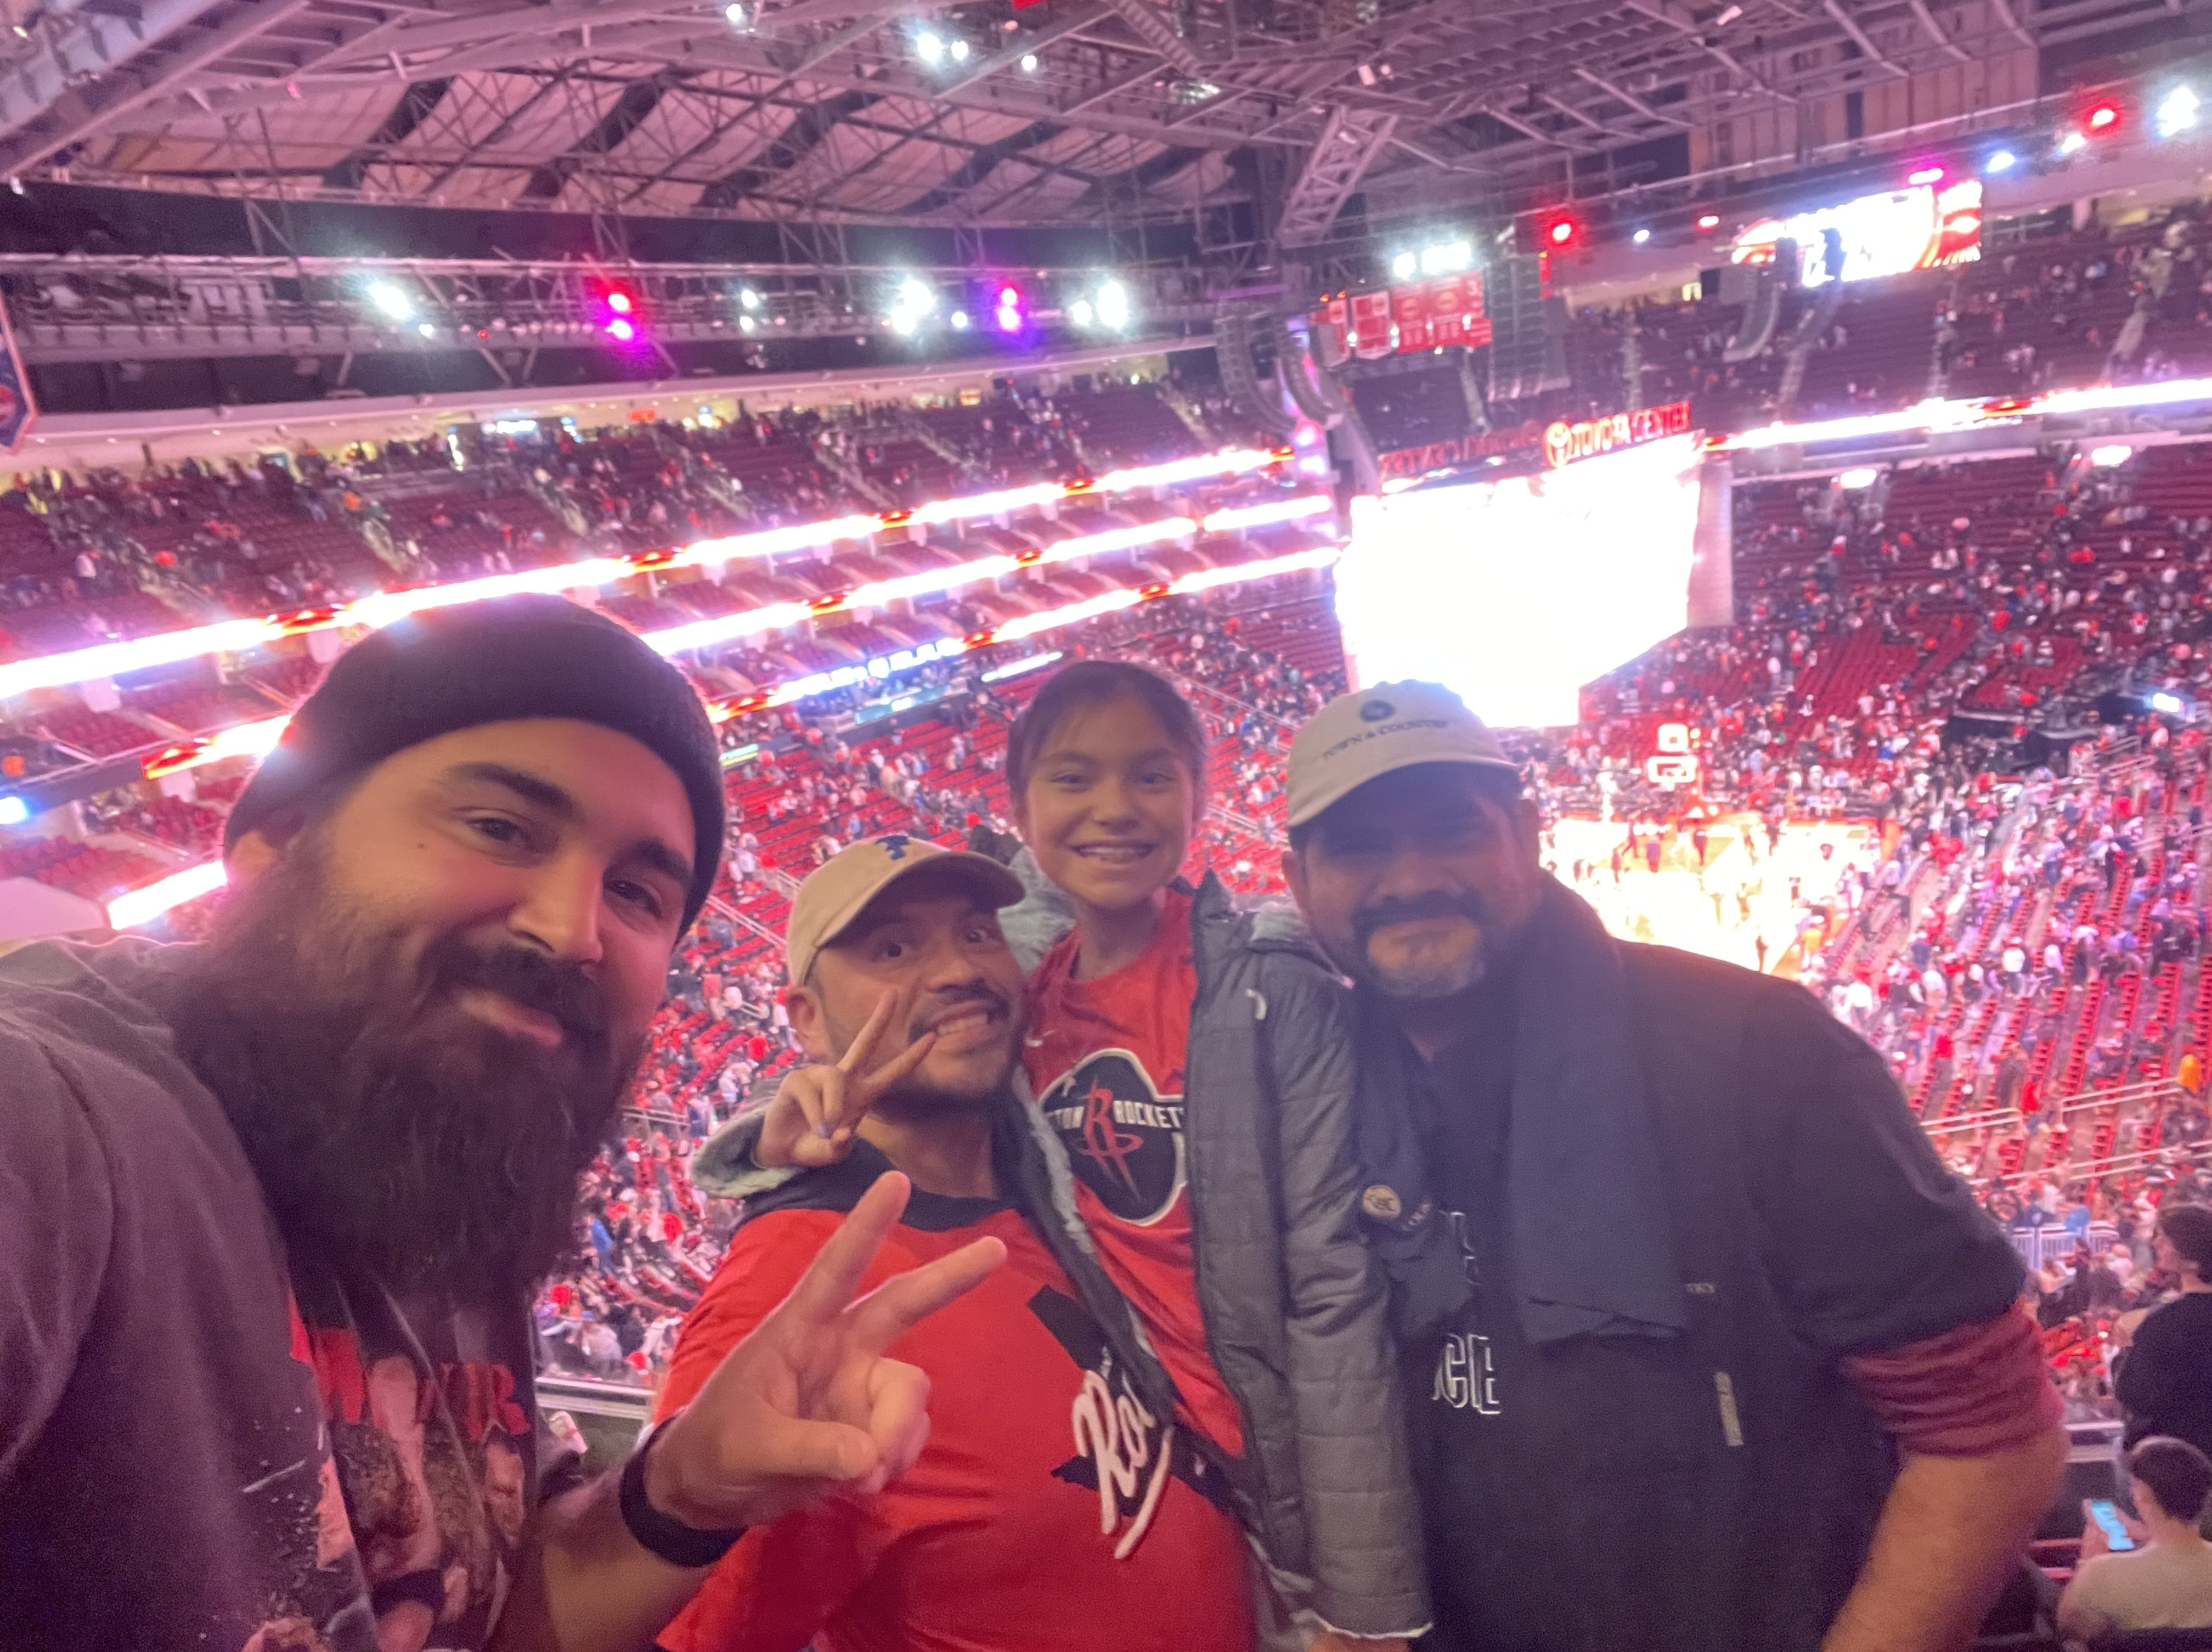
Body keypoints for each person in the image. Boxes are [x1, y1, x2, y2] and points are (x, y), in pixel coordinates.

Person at [0, 595, 1002, 1652]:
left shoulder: (435, 1148)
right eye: (499, 828)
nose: (571, 928)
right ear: (275, 843)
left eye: (635, 891)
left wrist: (679, 1491)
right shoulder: (63, 1125)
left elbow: (482, 1613)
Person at [1278, 680, 2067, 1652]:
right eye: (1357, 847)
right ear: (1297, 881)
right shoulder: (1297, 1089)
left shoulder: (1759, 1051)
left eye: (1451, 829)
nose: (1409, 878)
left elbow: (1988, 1432)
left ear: (1526, 835)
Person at [745, 661, 1426, 1649]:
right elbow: (878, 1065)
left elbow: (1334, 1291)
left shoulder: (1270, 988)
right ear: (1020, 810)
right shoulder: (1020, 994)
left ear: (1199, 794)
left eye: (1151, 775)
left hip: (1286, 1479)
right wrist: (774, 1132)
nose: (1114, 807)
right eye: (1074, 778)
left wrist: (1367, 1605)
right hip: (1163, 1455)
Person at [659, 837, 1254, 1652]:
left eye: (977, 933)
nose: (957, 971)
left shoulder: (1061, 1176)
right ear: (807, 1020)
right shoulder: (791, 1286)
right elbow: (680, 1629)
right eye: (894, 949)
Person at [2058, 1437, 2212, 1637]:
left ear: (2142, 1494)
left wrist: (2087, 1563)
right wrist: (2146, 1533)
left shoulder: (2102, 1573)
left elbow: (2068, 1626)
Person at [2116, 1203, 2212, 1468]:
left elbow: (2134, 1394)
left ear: (2191, 1258)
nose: (2155, 1242)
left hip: (2175, 1456)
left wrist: (2124, 1353)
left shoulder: (2162, 1322)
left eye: (2165, 1239)